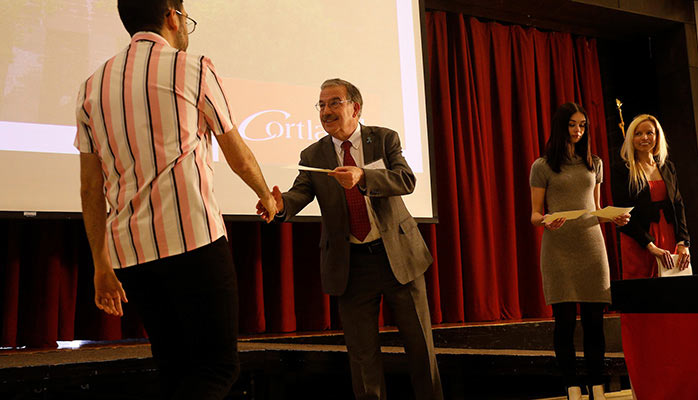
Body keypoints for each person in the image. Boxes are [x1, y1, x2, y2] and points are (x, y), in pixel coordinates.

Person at [75, 1, 277, 398]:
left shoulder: (92, 85)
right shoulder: (193, 67)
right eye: (186, 18)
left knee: (174, 367)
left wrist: (101, 263)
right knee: (217, 369)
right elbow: (238, 154)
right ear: (172, 15)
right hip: (193, 241)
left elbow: (89, 188)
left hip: (131, 254)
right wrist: (265, 196)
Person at [257, 78, 442, 400]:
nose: (326, 111)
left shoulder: (383, 139)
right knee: (362, 355)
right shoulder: (313, 153)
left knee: (419, 347)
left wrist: (363, 176)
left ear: (355, 108)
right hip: (352, 264)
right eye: (321, 105)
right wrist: (279, 204)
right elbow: (300, 193)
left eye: (334, 103)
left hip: (398, 255)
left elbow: (405, 179)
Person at [529, 102, 629, 400]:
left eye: (583, 125)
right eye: (573, 125)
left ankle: (597, 386)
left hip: (591, 246)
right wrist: (547, 220)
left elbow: (595, 209)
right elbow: (534, 215)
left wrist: (615, 216)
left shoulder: (594, 163)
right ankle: (572, 386)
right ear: (561, 127)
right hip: (559, 248)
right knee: (564, 323)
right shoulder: (542, 165)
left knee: (594, 323)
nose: (578, 130)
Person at [611, 114, 698, 400]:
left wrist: (684, 242)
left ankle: (679, 382)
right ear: (631, 138)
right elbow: (624, 216)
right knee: (644, 317)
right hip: (639, 247)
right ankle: (646, 384)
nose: (645, 138)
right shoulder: (623, 170)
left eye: (650, 133)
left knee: (674, 314)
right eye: (639, 133)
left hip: (671, 244)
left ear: (657, 137)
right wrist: (649, 245)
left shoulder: (667, 167)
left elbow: (679, 206)